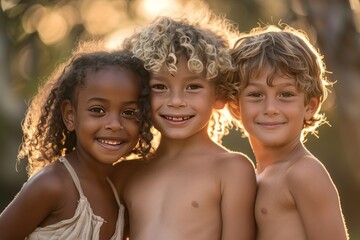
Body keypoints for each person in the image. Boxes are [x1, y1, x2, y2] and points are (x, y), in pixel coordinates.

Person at [110, 11, 257, 240]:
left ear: (218, 94)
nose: (176, 101)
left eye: (193, 87)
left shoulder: (232, 170)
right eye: (160, 87)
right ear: (140, 94)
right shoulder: (125, 172)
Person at [0, 45, 153, 239]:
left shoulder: (120, 196)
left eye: (129, 112)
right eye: (98, 110)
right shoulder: (52, 184)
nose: (115, 124)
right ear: (70, 116)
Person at [228, 24, 349, 240]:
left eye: (285, 94)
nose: (270, 108)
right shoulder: (254, 177)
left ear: (310, 106)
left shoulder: (304, 173)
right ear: (236, 107)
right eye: (256, 95)